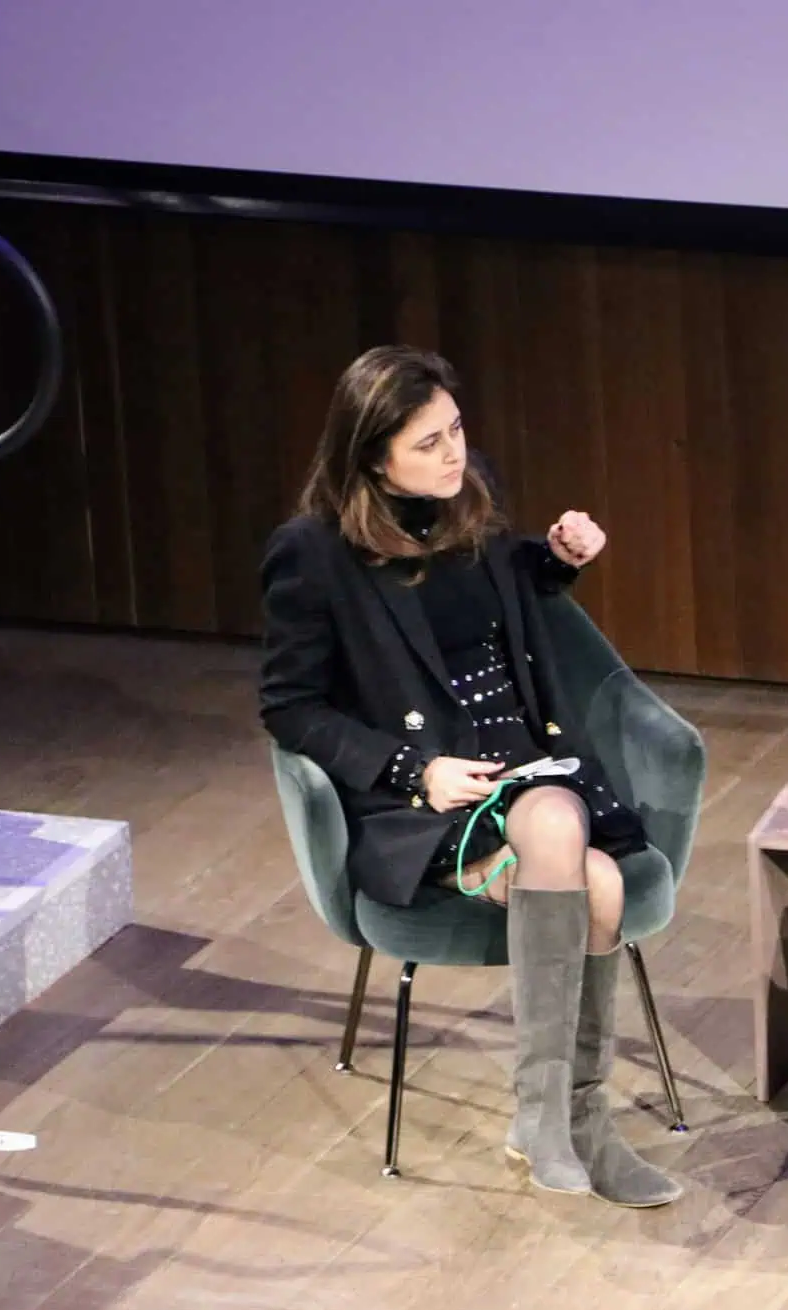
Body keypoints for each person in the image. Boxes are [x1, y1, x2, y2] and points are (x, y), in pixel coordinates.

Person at [260, 344, 680, 1208]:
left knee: (584, 860)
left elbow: (492, 592)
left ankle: (566, 1120)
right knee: (589, 871)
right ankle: (562, 1121)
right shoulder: (313, 552)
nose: (454, 453)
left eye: (455, 429)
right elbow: (291, 707)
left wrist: (556, 560)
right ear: (374, 457)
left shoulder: (469, 494)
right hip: (427, 795)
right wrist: (414, 771)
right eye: (428, 443)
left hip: (526, 755)